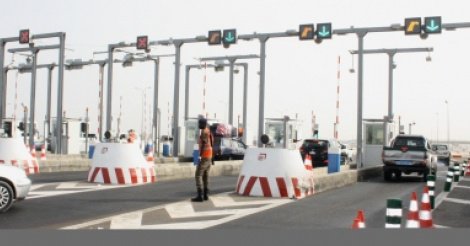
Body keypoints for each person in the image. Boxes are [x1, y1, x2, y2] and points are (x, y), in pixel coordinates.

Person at [191, 117, 214, 202]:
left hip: (204, 156)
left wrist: (199, 156)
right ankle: (205, 195)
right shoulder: (209, 132)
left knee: (198, 175)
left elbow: (204, 144)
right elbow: (212, 144)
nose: (198, 125)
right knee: (205, 175)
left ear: (203, 124)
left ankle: (200, 195)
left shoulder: (204, 132)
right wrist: (213, 158)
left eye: (199, 123)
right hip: (209, 156)